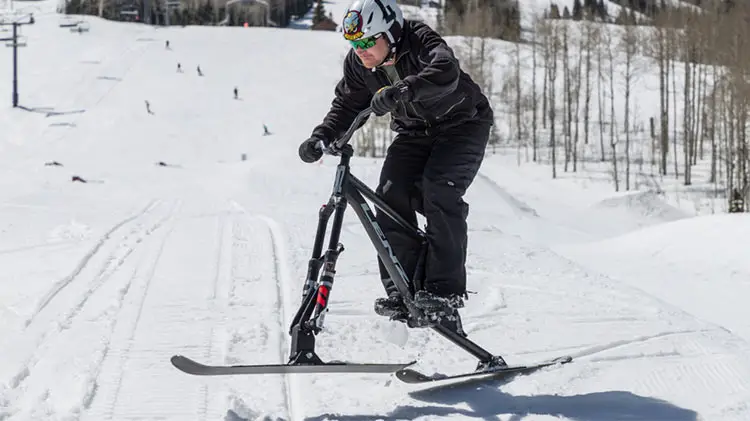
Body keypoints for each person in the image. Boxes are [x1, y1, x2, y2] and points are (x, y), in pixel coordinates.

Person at [298, 0, 493, 336]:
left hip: (463, 124)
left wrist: (403, 89)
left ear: (390, 33)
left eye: (365, 42)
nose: (360, 51)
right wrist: (321, 136)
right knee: (389, 197)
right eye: (354, 45)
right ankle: (403, 292)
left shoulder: (419, 39)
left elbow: (446, 71)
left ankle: (444, 294)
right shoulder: (360, 66)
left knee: (438, 190)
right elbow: (346, 104)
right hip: (414, 132)